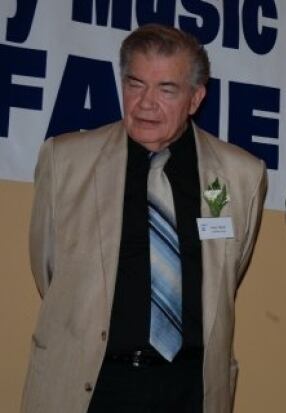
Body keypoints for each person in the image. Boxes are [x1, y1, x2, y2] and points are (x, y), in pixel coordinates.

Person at [22, 24, 267, 412]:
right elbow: (48, 269)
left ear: (195, 98)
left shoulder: (242, 175)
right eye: (135, 84)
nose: (145, 103)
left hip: (189, 389)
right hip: (91, 386)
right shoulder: (66, 160)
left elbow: (227, 274)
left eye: (166, 89)